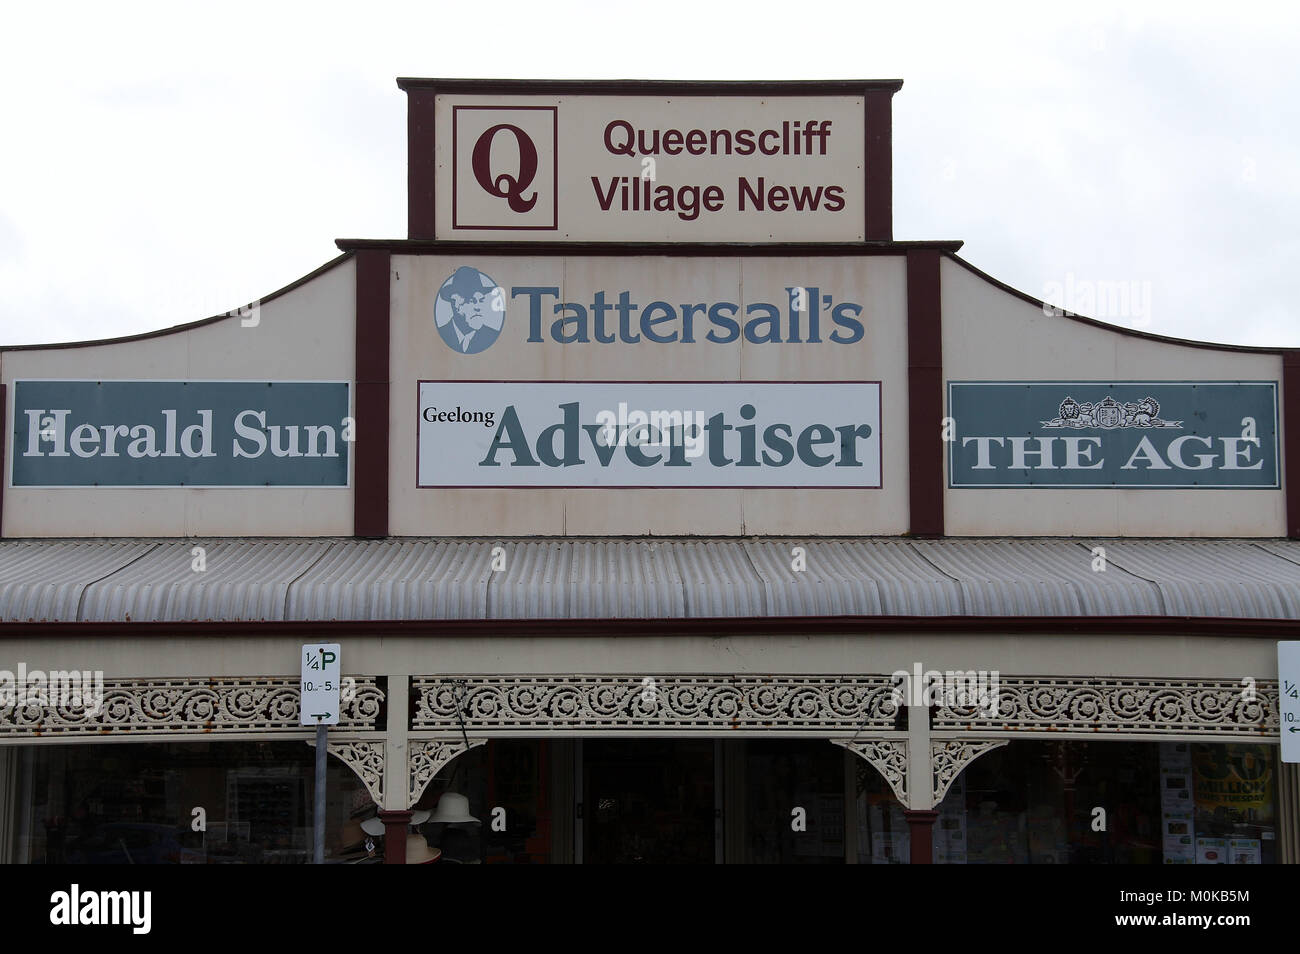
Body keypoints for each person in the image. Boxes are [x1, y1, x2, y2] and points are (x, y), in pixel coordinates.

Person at [436, 267, 503, 354]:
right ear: (455, 301)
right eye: (472, 300)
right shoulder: (442, 333)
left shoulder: (491, 336)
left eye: (481, 300)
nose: (478, 307)